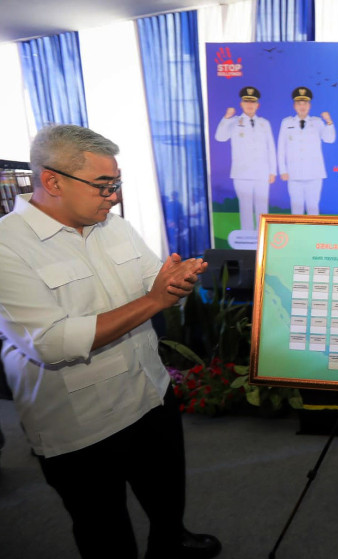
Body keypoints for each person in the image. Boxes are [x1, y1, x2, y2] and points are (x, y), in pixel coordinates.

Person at [0, 125, 220, 559]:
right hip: (80, 423)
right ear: (53, 182)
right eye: (103, 185)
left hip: (150, 393)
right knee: (104, 528)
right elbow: (50, 342)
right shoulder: (8, 246)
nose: (114, 197)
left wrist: (174, 282)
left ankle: (171, 543)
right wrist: (154, 299)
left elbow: (152, 282)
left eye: (117, 183)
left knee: (167, 499)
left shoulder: (113, 226)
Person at [215, 85, 277, 231]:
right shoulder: (233, 122)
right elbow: (220, 137)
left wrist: (272, 171)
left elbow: (271, 148)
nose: (250, 105)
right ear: (241, 104)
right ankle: (247, 236)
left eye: (253, 102)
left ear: (257, 105)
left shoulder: (264, 123)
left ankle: (263, 235)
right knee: (245, 206)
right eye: (246, 101)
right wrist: (226, 118)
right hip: (241, 173)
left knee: (262, 206)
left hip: (262, 172)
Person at [277, 86, 336, 215]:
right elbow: (281, 148)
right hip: (294, 173)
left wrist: (329, 122)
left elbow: (329, 139)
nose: (302, 106)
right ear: (294, 106)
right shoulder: (286, 123)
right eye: (299, 103)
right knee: (296, 209)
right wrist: (283, 170)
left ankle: (313, 228)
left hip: (314, 174)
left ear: (309, 105)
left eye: (305, 103)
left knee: (313, 208)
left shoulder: (317, 122)